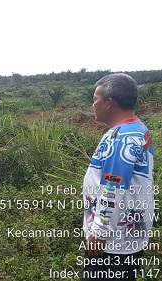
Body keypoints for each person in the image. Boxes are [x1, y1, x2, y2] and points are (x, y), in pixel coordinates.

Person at [82, 73, 154, 281]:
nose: (93, 104)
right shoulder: (139, 128)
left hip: (113, 243)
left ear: (109, 103)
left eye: (96, 99)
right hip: (127, 236)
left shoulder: (120, 140)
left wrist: (99, 232)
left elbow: (112, 189)